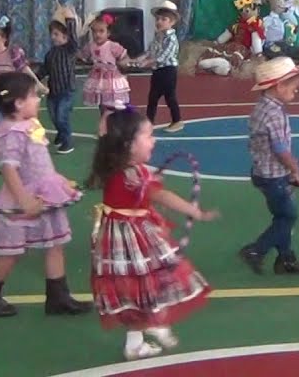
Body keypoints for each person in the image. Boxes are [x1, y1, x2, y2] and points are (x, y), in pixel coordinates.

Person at [88, 107, 216, 361]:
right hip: (132, 237)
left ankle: (135, 342)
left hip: (121, 235)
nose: (153, 140)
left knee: (135, 288)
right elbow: (162, 196)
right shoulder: (133, 174)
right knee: (151, 281)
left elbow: (105, 136)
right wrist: (194, 211)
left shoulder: (118, 166)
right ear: (128, 144)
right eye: (147, 135)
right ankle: (152, 319)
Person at [0, 72, 90, 318]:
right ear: (18, 103)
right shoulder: (12, 132)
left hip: (45, 194)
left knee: (55, 244)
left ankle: (58, 297)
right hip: (25, 196)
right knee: (12, 251)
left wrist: (59, 182)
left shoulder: (30, 125)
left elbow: (39, 160)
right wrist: (23, 199)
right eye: (34, 96)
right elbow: (8, 167)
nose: (39, 99)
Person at [239, 57, 299, 276]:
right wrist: (294, 169)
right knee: (287, 216)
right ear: (279, 86)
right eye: (293, 88)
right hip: (274, 175)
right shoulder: (275, 114)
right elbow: (280, 150)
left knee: (282, 215)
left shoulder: (262, 107)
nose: (295, 92)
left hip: (263, 172)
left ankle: (286, 259)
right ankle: (256, 250)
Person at [135, 1, 183, 132]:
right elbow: (150, 51)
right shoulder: (158, 36)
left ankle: (177, 120)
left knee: (170, 97)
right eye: (157, 19)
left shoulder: (172, 39)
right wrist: (138, 59)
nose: (159, 21)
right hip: (158, 71)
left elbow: (163, 56)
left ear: (172, 22)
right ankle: (149, 123)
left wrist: (148, 62)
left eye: (164, 19)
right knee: (152, 98)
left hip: (168, 71)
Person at [80, 14, 131, 133]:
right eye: (94, 32)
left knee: (111, 104)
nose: (97, 34)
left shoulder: (112, 46)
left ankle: (111, 126)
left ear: (108, 33)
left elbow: (125, 57)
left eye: (101, 31)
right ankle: (106, 126)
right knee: (101, 103)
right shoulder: (90, 46)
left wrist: (124, 64)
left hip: (111, 78)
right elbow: (83, 56)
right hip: (97, 78)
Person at [37, 19, 80, 154]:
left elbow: (73, 36)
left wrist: (69, 19)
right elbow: (44, 69)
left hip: (67, 90)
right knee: (54, 117)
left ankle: (67, 142)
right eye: (52, 34)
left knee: (61, 116)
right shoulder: (50, 53)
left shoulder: (70, 50)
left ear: (65, 36)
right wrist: (34, 78)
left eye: (56, 34)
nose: (52, 37)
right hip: (53, 92)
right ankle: (61, 134)